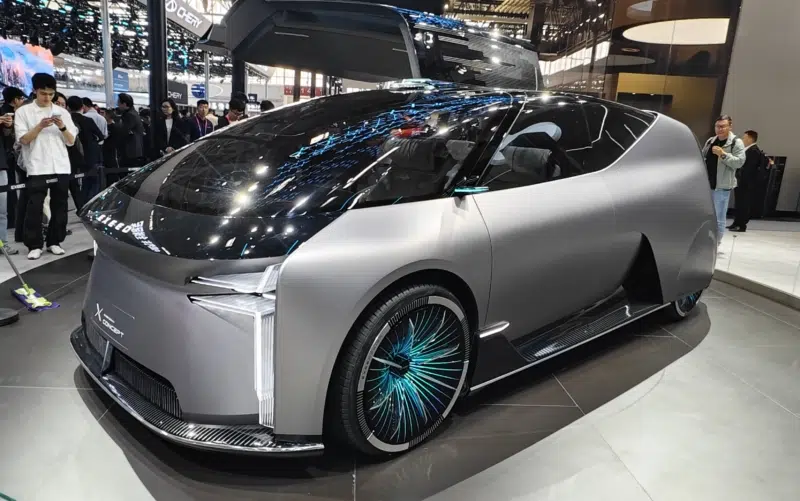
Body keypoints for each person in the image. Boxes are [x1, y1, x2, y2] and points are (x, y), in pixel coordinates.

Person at [14, 73, 78, 260]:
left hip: (61, 165)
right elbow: (23, 140)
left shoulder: (62, 112)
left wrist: (62, 127)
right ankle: (34, 245)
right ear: (35, 91)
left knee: (60, 205)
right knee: (34, 206)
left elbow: (71, 141)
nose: (47, 98)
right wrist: (40, 126)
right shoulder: (24, 112)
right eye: (43, 93)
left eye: (51, 94)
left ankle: (54, 242)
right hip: (37, 165)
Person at [701, 115, 746, 247]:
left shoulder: (736, 142)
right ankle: (706, 242)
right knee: (706, 216)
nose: (719, 129)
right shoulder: (711, 141)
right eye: (717, 126)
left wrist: (723, 154)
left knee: (719, 218)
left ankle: (716, 244)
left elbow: (739, 162)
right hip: (707, 185)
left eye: (723, 126)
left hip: (721, 187)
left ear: (730, 127)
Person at [66, 96, 104, 210]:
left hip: (71, 156)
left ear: (68, 107)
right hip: (90, 155)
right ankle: (90, 206)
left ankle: (80, 206)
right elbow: (101, 136)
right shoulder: (88, 120)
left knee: (73, 182)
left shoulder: (66, 121)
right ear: (82, 107)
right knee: (92, 181)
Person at [728, 130, 767, 233]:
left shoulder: (754, 151)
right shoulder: (747, 150)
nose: (742, 139)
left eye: (744, 137)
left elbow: (749, 169)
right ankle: (736, 222)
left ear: (750, 138)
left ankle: (741, 225)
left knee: (744, 204)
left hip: (746, 183)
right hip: (741, 182)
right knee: (739, 203)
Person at [1, 86, 25, 249]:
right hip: (6, 162)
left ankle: (3, 243)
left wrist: (8, 126)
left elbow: (7, 138)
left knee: (2, 210)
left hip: (3, 163)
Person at [114, 93, 145, 181]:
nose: (117, 104)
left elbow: (123, 131)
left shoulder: (129, 115)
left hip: (129, 151)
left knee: (126, 176)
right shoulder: (133, 113)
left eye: (118, 102)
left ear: (124, 104)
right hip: (133, 150)